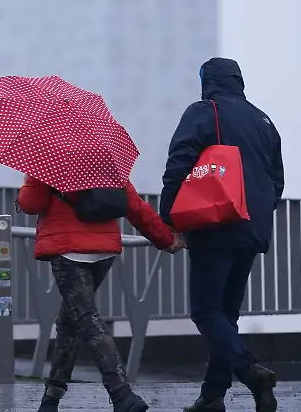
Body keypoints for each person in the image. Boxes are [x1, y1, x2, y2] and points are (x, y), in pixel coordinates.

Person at [159, 57, 285, 412]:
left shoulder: (204, 111)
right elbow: (277, 180)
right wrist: (256, 214)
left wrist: (169, 218)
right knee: (225, 314)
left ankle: (250, 371)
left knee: (205, 310)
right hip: (252, 227)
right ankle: (213, 395)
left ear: (207, 81)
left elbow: (178, 164)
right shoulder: (264, 121)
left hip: (214, 224)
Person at [18, 175, 186, 412]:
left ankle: (122, 394)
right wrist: (166, 238)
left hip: (68, 251)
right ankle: (51, 399)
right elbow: (134, 205)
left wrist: (28, 183)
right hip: (103, 251)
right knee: (69, 321)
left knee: (87, 320)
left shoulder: (49, 160)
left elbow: (31, 204)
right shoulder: (103, 156)